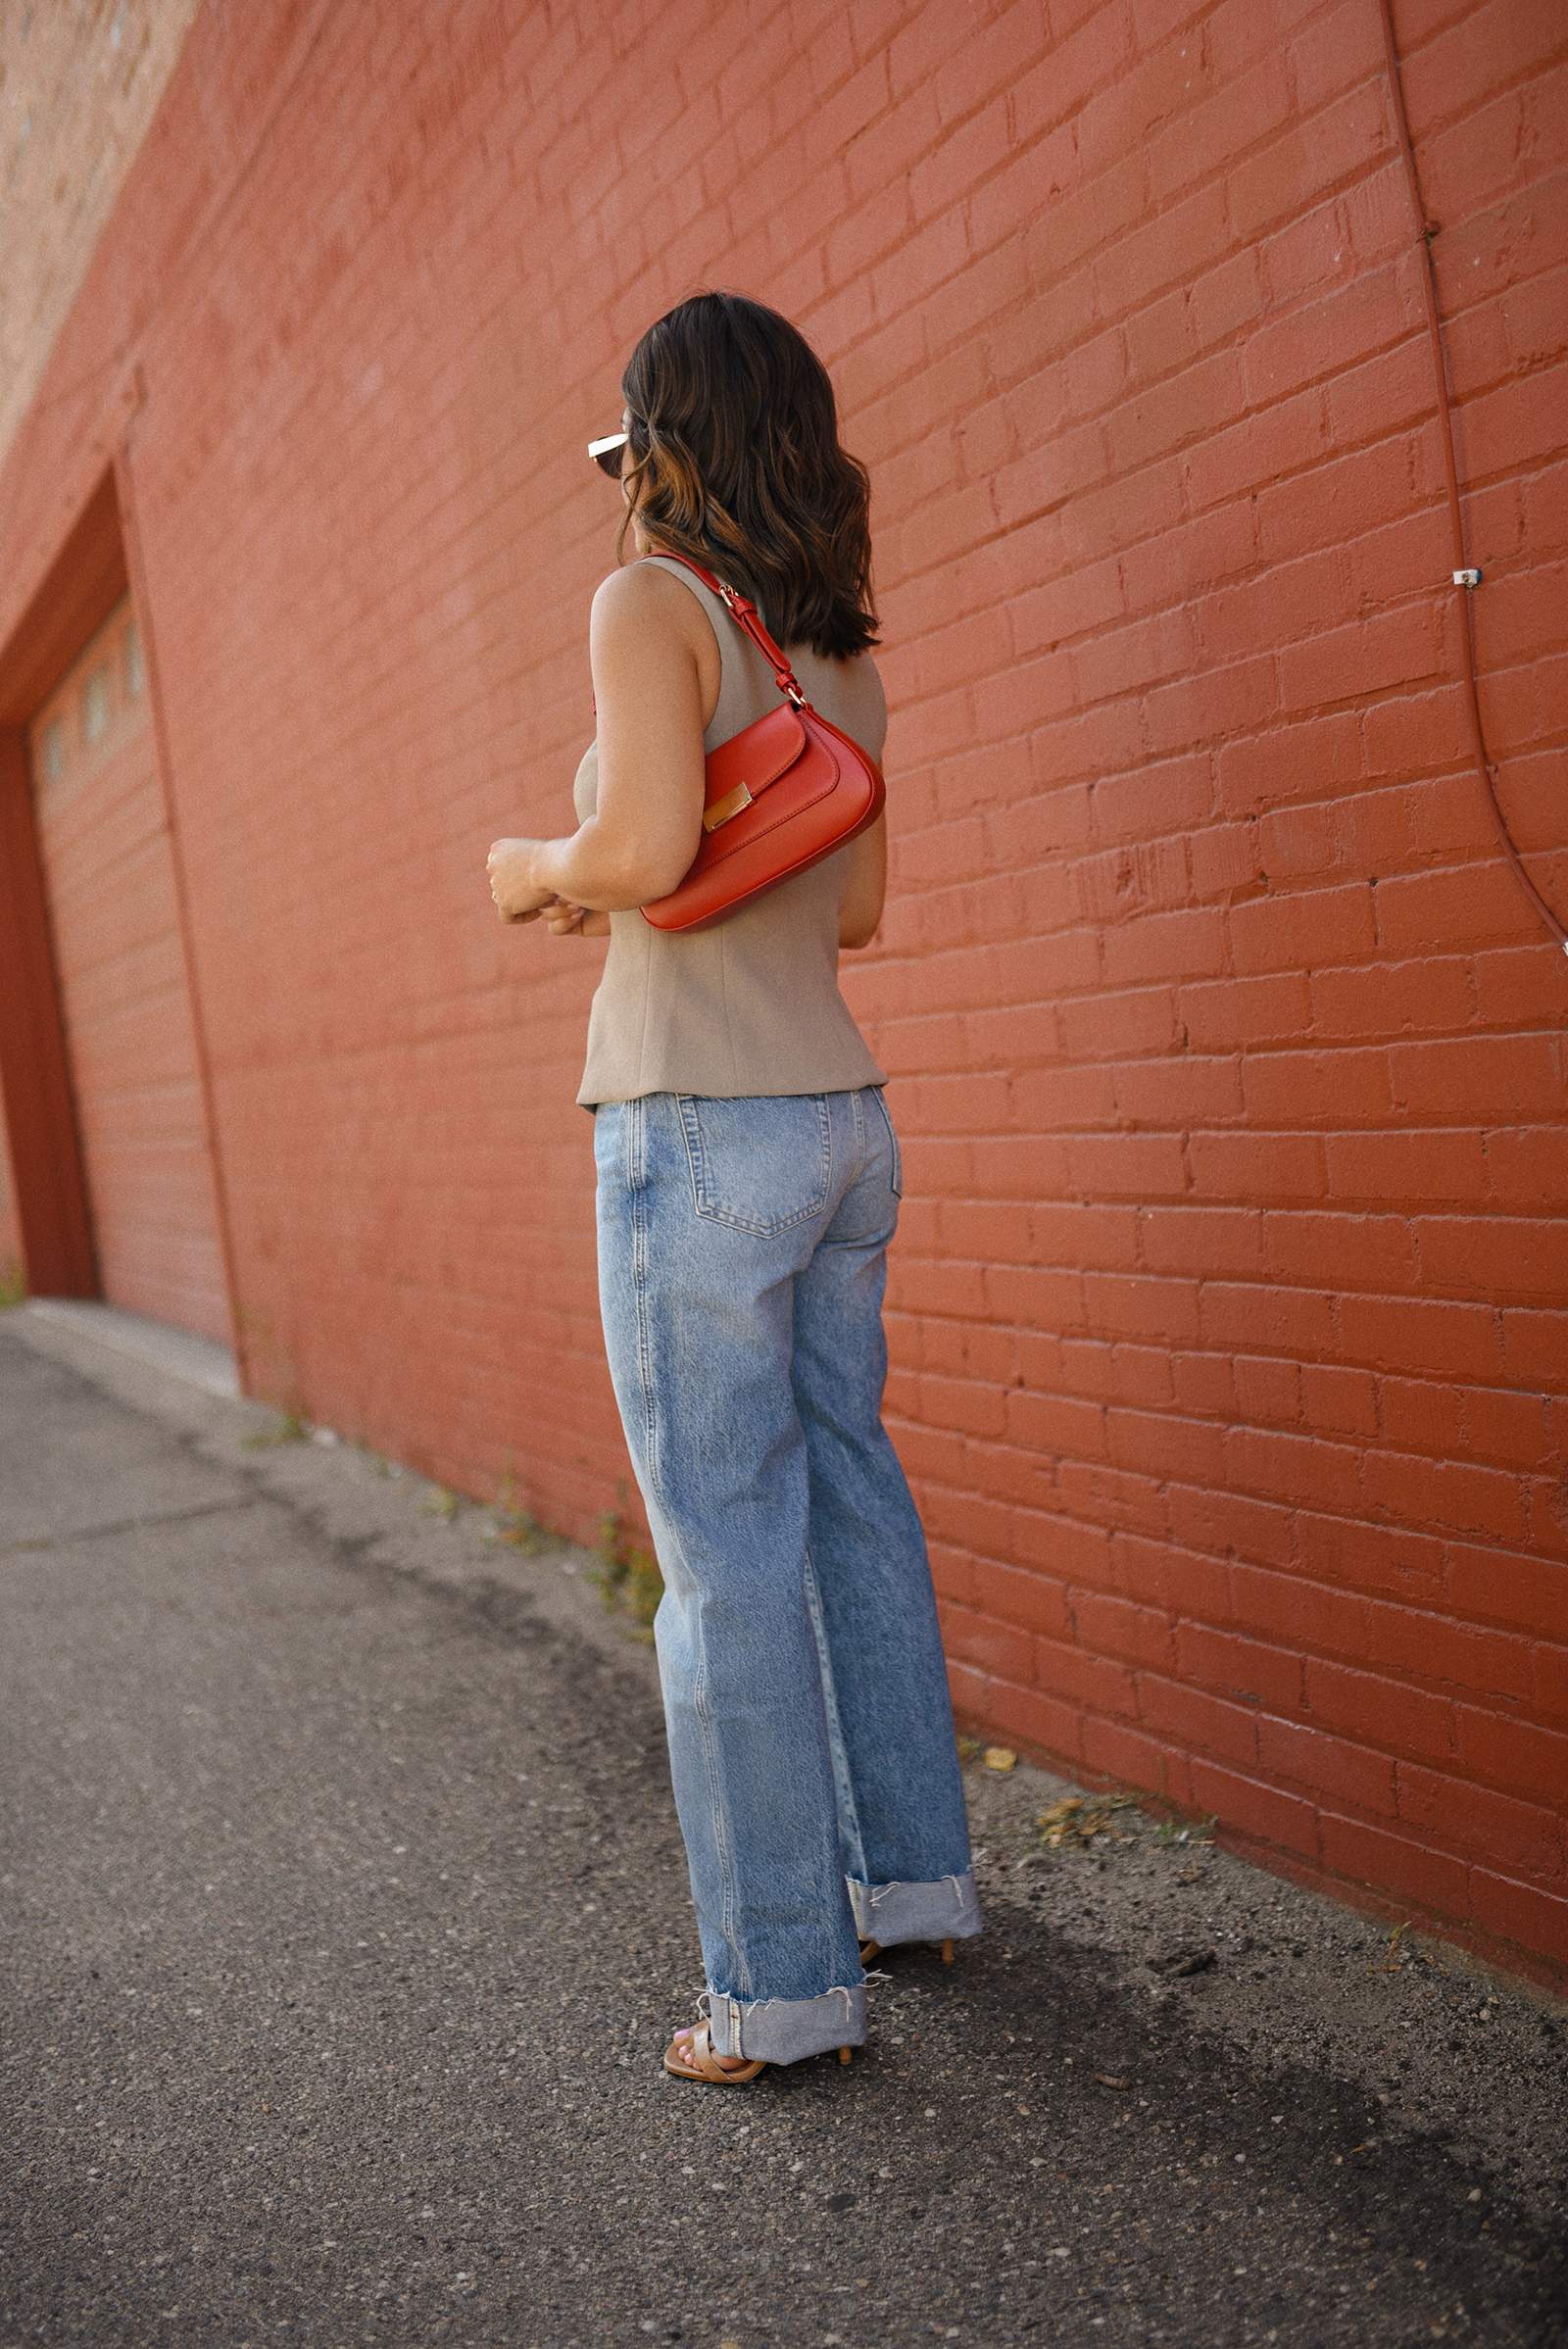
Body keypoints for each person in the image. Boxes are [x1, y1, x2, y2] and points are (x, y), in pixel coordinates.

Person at [486, 292, 978, 2083]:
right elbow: (852, 913)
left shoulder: (651, 605)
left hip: (697, 1122)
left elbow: (639, 853)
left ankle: (776, 1990)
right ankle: (911, 1884)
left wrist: (533, 866)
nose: (620, 487)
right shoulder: (836, 642)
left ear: (667, 439)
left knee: (722, 1560)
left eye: (627, 448)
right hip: (843, 1118)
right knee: (853, 1493)